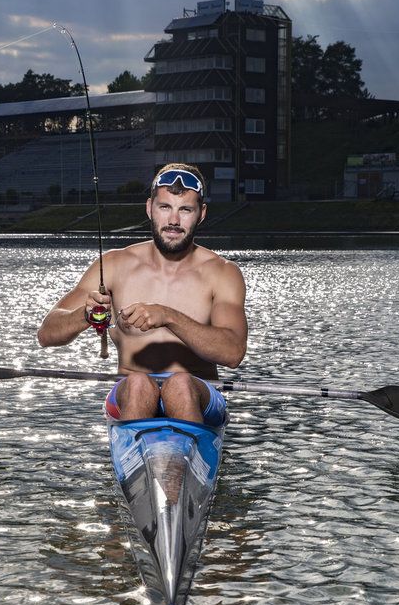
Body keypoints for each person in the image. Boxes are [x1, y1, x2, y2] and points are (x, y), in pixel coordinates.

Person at [37, 163, 247, 426]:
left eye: (185, 210)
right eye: (165, 207)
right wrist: (86, 315)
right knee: (137, 383)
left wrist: (168, 316)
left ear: (201, 214)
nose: (173, 220)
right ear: (149, 208)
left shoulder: (223, 272)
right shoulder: (113, 265)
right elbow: (46, 334)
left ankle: (184, 461)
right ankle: (137, 461)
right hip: (130, 391)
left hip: (200, 394)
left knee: (179, 384)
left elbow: (233, 352)